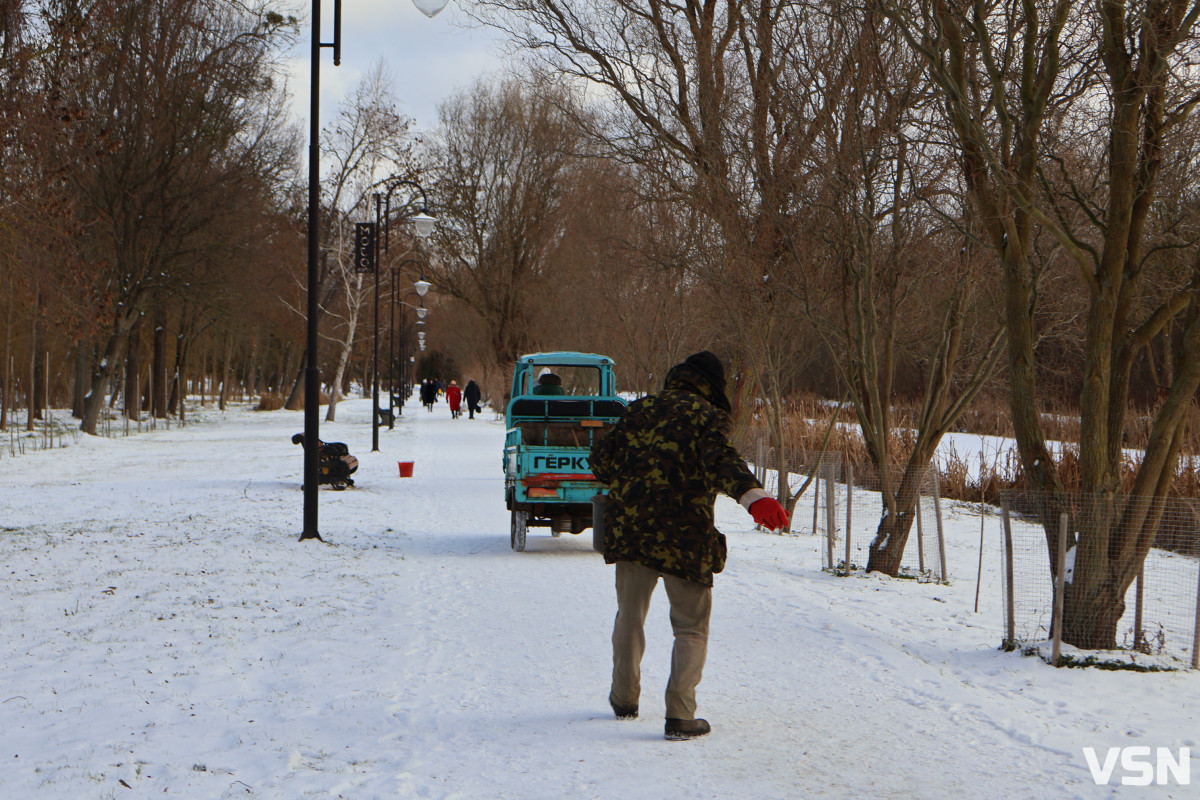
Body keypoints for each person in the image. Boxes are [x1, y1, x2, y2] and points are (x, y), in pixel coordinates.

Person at [589, 351, 789, 741]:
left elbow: (601, 461)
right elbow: (721, 461)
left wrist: (635, 477)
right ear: (714, 386)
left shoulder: (639, 410)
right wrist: (754, 496)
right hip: (686, 537)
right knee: (690, 628)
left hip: (632, 533)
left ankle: (624, 698)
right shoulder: (706, 417)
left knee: (629, 616)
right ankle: (680, 716)